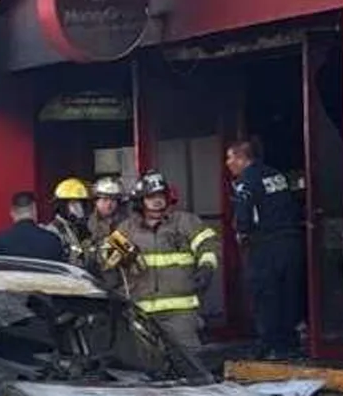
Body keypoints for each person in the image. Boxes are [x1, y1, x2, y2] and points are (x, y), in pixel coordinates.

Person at [110, 172, 220, 354]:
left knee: (189, 360)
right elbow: (105, 258)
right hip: (141, 310)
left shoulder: (186, 222)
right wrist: (123, 255)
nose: (157, 201)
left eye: (160, 195)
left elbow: (208, 245)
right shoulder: (126, 228)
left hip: (180, 312)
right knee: (145, 362)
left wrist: (206, 267)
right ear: (141, 200)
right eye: (151, 196)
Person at [226, 139, 306, 360]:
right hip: (290, 241)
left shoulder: (246, 180)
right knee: (288, 292)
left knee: (265, 295)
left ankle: (269, 344)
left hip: (265, 245)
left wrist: (241, 232)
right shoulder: (276, 175)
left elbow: (244, 214)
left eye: (230, 157)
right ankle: (289, 343)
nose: (227, 163)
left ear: (241, 158)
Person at [0, 191, 70, 262]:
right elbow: (61, 271)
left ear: (12, 213)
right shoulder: (52, 240)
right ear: (35, 211)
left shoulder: (0, 241)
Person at [46, 178, 97, 267]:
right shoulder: (53, 231)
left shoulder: (81, 229)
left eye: (81, 204)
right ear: (62, 206)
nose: (79, 209)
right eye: (74, 203)